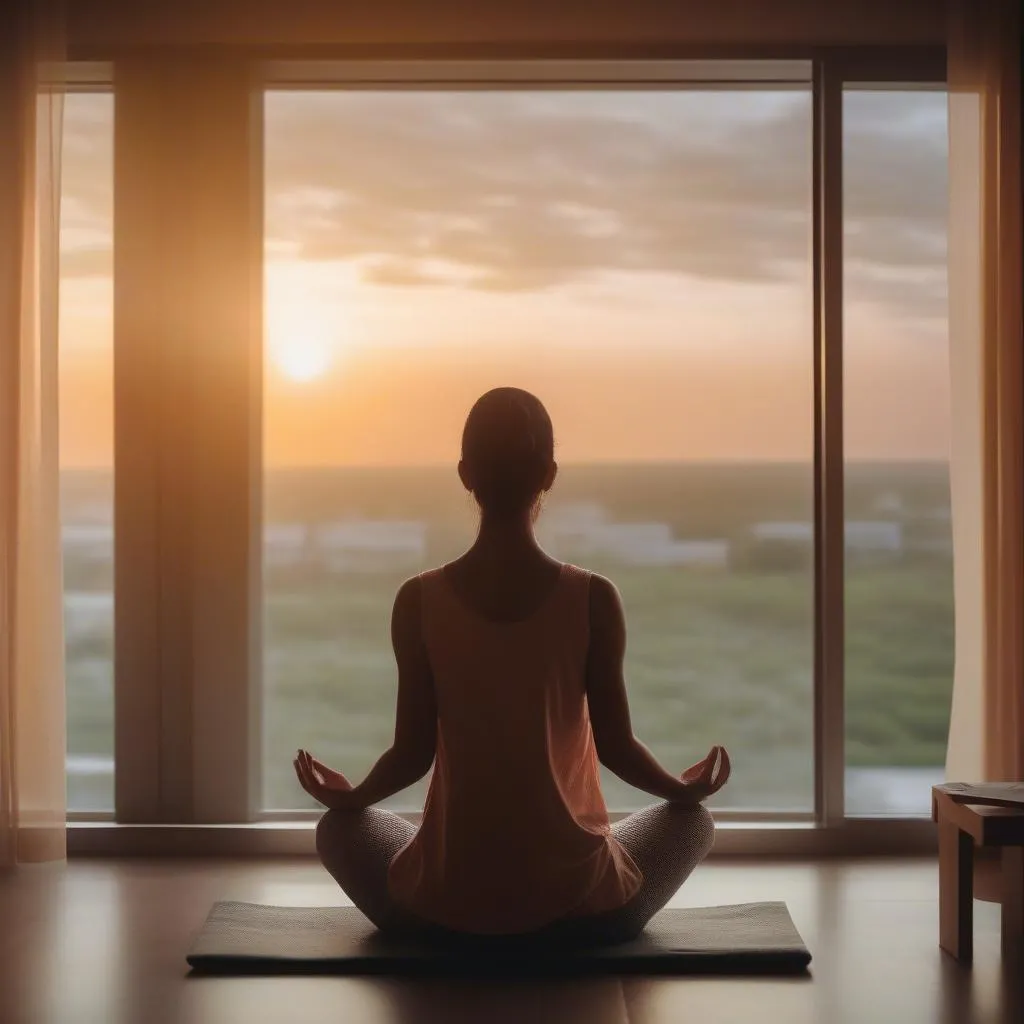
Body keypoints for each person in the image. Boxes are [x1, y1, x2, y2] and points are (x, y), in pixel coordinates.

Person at [294, 387, 731, 948]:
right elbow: (617, 748)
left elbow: (411, 754)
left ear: (465, 474)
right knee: (692, 823)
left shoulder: (418, 600)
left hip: (444, 913)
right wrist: (681, 789)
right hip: (584, 914)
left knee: (337, 832)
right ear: (548, 474)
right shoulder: (594, 598)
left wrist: (351, 799)